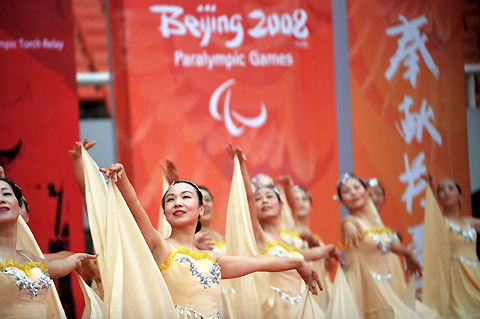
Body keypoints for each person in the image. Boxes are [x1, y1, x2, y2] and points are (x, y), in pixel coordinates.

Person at [101, 163, 321, 319]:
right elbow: (136, 209)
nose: (177, 202)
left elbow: (259, 262)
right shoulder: (162, 247)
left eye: (186, 197)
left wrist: (298, 263)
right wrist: (122, 180)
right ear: (165, 213)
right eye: (170, 199)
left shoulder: (213, 260)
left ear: (200, 209)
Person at [227, 143, 343, 318]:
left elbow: (309, 254)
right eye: (259, 199)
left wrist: (330, 249)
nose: (264, 201)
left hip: (300, 308)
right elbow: (248, 197)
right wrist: (242, 165)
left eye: (269, 197)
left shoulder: (291, 243)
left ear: (281, 205)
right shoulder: (259, 235)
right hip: (275, 310)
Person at [339, 172, 438, 318]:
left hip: (384, 286)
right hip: (365, 290)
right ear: (341, 200)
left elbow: (388, 244)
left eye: (356, 187)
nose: (353, 192)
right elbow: (348, 225)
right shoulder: (350, 222)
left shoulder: (375, 224)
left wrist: (408, 253)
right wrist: (347, 223)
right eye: (347, 191)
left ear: (365, 191)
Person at [0, 177, 96, 317]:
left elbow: (60, 266)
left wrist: (81, 258)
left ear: (19, 204)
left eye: (6, 194)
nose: (1, 199)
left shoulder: (28, 257)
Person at [423, 176, 480, 317]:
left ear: (460, 195)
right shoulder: (440, 222)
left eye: (450, 188)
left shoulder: (470, 222)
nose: (446, 192)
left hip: (476, 275)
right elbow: (432, 212)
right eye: (441, 190)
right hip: (456, 280)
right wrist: (431, 187)